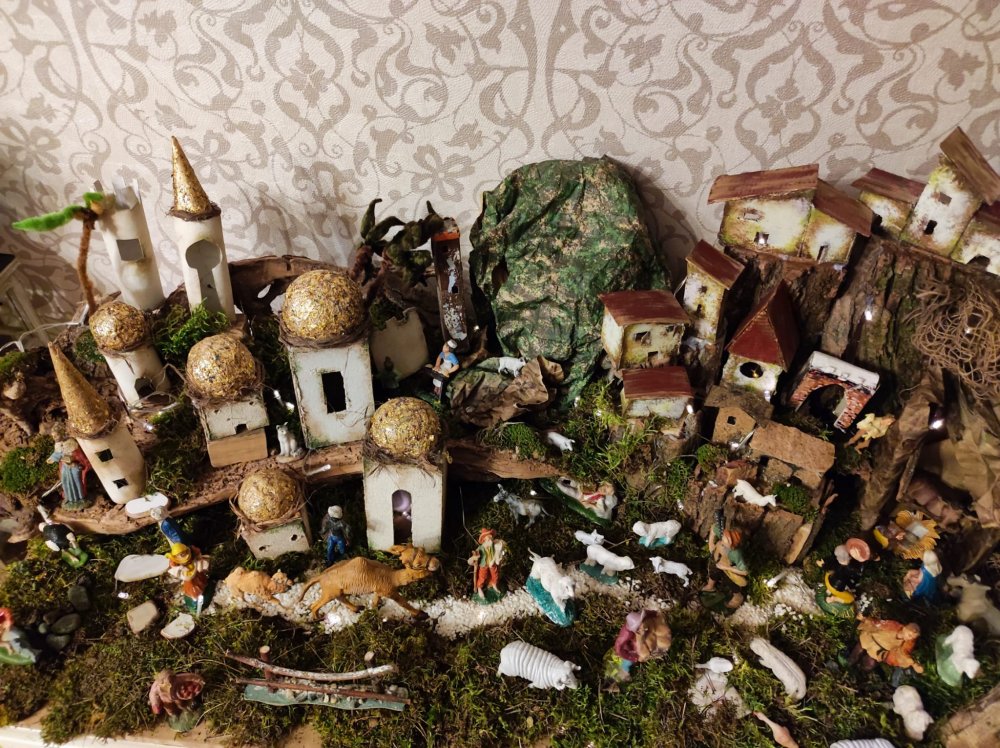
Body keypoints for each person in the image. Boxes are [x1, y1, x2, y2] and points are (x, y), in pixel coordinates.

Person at [609, 609, 672, 682]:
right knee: (630, 661)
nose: (641, 628)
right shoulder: (626, 634)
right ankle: (623, 671)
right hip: (634, 649)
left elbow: (654, 613)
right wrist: (632, 658)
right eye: (638, 628)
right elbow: (619, 648)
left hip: (658, 645)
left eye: (641, 623)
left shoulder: (650, 618)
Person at [852, 616, 924, 674]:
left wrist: (914, 664)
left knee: (869, 665)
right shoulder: (893, 626)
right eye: (909, 635)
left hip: (877, 652)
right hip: (869, 639)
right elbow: (878, 624)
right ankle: (849, 663)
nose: (909, 638)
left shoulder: (907, 643)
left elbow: (904, 654)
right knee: (856, 653)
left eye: (912, 637)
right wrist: (864, 619)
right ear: (904, 629)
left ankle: (857, 673)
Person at [46, 437, 89, 510]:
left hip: (74, 468)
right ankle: (69, 498)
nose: (55, 437)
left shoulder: (71, 443)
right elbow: (57, 454)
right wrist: (52, 459)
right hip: (65, 468)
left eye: (56, 435)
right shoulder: (58, 445)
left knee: (77, 482)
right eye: (54, 436)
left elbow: (79, 456)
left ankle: (81, 497)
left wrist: (74, 462)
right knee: (65, 482)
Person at [468, 528, 506, 601]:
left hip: (492, 563)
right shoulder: (480, 549)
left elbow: (500, 543)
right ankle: (479, 588)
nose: (490, 541)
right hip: (484, 565)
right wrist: (473, 558)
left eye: (491, 539)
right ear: (484, 541)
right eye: (488, 540)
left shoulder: (492, 545)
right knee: (482, 577)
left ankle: (494, 584)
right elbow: (471, 560)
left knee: (495, 574)